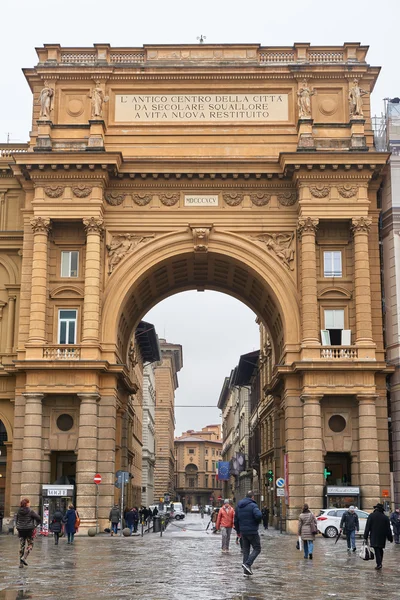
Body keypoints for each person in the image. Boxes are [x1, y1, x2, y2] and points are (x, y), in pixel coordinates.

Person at [234, 491, 262, 576]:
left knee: (246, 550)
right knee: (257, 548)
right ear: (252, 497)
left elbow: (236, 520)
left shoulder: (239, 506)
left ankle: (246, 571)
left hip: (243, 531)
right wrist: (257, 522)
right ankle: (247, 564)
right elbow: (259, 515)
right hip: (252, 531)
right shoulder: (253, 505)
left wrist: (238, 531)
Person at [364, 503, 393, 569]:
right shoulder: (385, 517)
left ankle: (379, 563)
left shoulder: (371, 516)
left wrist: (365, 536)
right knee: (380, 549)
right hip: (382, 537)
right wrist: (390, 538)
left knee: (376, 549)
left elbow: (367, 527)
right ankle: (380, 562)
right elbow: (388, 529)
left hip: (374, 536)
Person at [15, 498, 41, 568]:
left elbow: (16, 520)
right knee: (31, 544)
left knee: (22, 546)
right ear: (27, 504)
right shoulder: (30, 511)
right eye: (29, 503)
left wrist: (17, 527)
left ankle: (20, 563)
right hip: (29, 530)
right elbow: (38, 518)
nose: (30, 504)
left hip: (21, 530)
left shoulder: (18, 511)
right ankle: (24, 557)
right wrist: (35, 525)